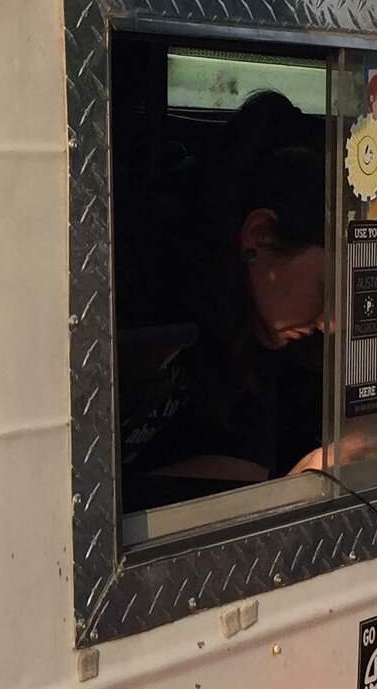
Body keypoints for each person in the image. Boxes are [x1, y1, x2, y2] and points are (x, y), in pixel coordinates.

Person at [121, 95, 329, 511]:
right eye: (327, 290)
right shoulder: (143, 293)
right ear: (260, 235)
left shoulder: (270, 344)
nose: (331, 321)